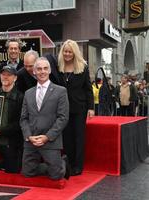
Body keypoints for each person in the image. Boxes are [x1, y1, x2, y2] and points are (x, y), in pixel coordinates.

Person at [20, 57, 70, 180]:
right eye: (39, 69)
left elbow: (63, 118)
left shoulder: (61, 91)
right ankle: (51, 164)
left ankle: (62, 163)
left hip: (50, 140)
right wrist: (28, 136)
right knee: (27, 173)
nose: (42, 71)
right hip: (31, 141)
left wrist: (47, 137)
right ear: (34, 72)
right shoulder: (28, 93)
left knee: (56, 176)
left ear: (50, 70)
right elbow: (23, 119)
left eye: (45, 68)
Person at [57, 39, 94, 176]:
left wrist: (91, 108)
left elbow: (88, 89)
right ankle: (69, 164)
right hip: (63, 108)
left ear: (75, 53)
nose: (67, 54)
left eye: (70, 52)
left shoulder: (82, 66)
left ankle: (78, 166)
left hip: (79, 108)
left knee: (79, 137)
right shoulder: (58, 66)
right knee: (67, 137)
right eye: (65, 51)